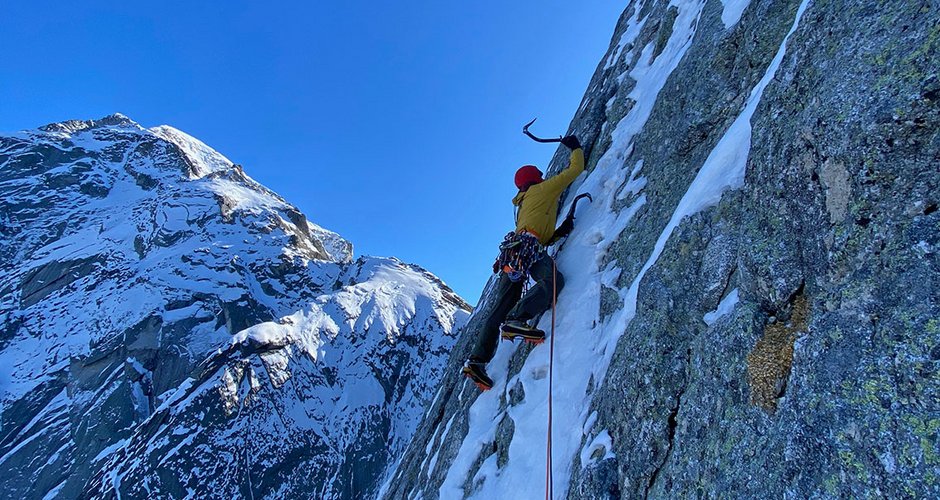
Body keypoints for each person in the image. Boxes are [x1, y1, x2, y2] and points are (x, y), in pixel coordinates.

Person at [463, 134, 584, 390]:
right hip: (529, 250)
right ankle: (518, 318)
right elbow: (575, 170)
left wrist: (560, 231)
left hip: (513, 254)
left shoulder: (523, 204)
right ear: (535, 179)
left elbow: (543, 233)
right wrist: (575, 147)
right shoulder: (542, 189)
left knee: (499, 307)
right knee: (553, 282)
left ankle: (477, 360)